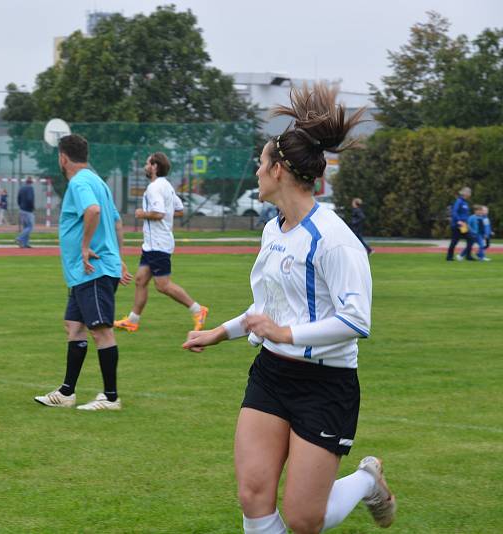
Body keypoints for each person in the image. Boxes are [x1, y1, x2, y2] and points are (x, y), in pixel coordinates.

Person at [182, 84, 395, 534]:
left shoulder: (334, 238)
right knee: (253, 495)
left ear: (278, 170)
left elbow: (356, 320)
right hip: (271, 376)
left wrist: (286, 335)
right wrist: (220, 332)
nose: (256, 172)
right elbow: (269, 309)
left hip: (325, 386)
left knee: (303, 519)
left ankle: (364, 480)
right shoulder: (273, 230)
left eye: (261, 164)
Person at [34, 134, 132, 411]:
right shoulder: (98, 180)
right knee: (74, 326)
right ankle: (67, 392)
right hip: (87, 271)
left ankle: (111, 397)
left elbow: (93, 211)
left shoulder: (79, 182)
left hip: (93, 269)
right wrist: (119, 258)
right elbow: (117, 221)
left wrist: (86, 246)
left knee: (100, 330)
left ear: (63, 158)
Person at [114, 152, 209, 333]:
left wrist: (142, 213)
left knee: (163, 285)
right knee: (141, 280)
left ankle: (198, 309)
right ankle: (133, 320)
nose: (145, 166)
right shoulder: (167, 186)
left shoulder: (155, 188)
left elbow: (159, 214)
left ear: (154, 166)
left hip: (158, 244)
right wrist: (164, 215)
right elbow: (179, 210)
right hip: (152, 244)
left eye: (147, 163)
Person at [446, 186, 473, 261]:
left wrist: (466, 223)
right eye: (469, 192)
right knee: (455, 241)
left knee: (470, 239)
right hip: (457, 225)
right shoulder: (459, 201)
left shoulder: (465, 202)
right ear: (464, 193)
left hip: (463, 225)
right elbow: (454, 212)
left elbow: (465, 214)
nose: (470, 194)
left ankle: (468, 256)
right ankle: (449, 257)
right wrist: (458, 220)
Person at [15, 177, 35, 248]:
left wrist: (20, 206)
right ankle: (19, 238)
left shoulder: (21, 188)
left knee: (26, 227)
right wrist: (32, 207)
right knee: (30, 226)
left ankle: (25, 243)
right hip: (28, 210)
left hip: (21, 209)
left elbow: (18, 198)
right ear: (31, 182)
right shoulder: (30, 188)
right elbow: (30, 199)